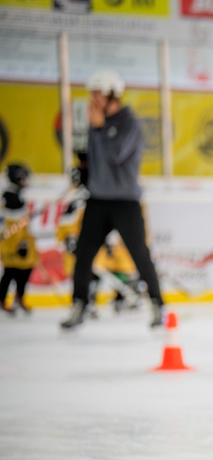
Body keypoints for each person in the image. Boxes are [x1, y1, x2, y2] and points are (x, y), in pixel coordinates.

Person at [60, 69, 166, 330]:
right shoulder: (96, 123)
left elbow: (117, 154)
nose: (92, 99)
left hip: (125, 201)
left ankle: (157, 305)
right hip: (98, 200)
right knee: (83, 255)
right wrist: (83, 169)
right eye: (92, 94)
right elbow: (93, 160)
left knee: (140, 255)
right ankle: (79, 305)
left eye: (97, 93)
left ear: (111, 95)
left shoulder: (128, 121)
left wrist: (98, 128)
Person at [0, 163, 38, 315]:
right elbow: (14, 223)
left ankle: (18, 297)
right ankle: (2, 299)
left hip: (18, 239)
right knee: (11, 271)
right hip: (12, 241)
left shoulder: (16, 194)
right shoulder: (10, 196)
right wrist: (21, 242)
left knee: (24, 270)